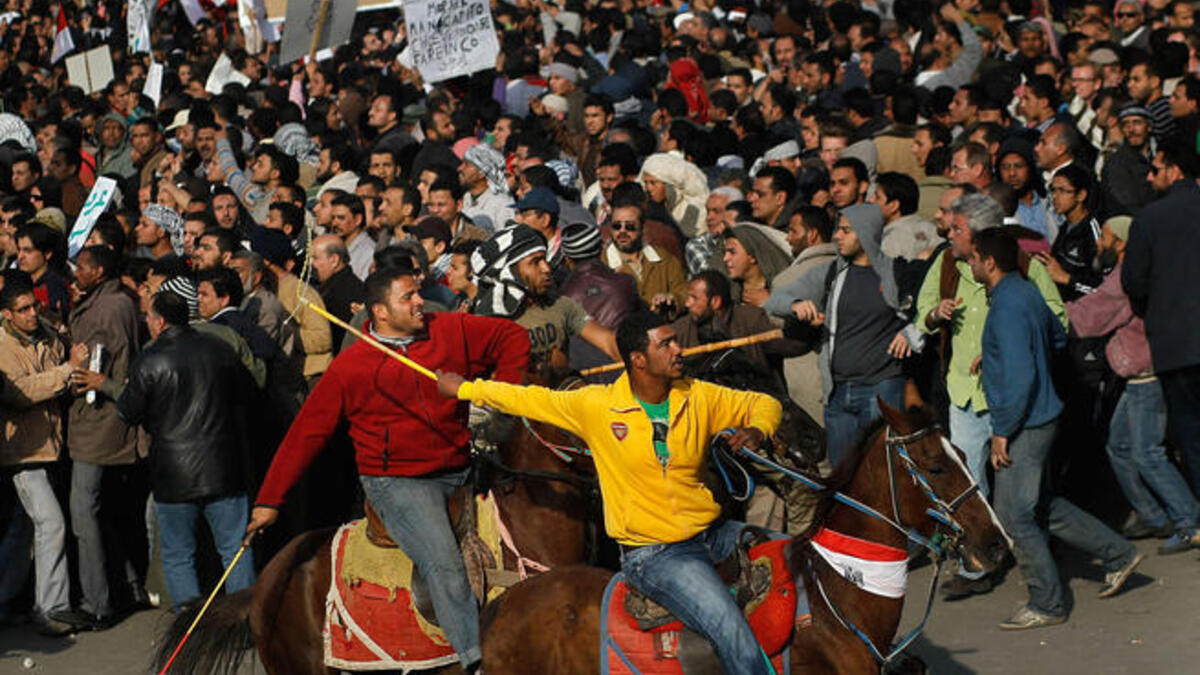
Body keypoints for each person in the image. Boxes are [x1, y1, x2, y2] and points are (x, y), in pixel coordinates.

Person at [437, 311, 781, 674]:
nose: (679, 349)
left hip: (713, 534)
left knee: (795, 554)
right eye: (666, 344)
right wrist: (464, 389)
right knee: (730, 629)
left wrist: (758, 430)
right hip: (656, 556)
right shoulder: (597, 405)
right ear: (638, 360)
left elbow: (763, 403)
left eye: (675, 340)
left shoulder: (698, 395)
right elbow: (526, 399)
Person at [247, 267, 531, 673]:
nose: (420, 302)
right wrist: (269, 499)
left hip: (461, 465)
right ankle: (477, 661)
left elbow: (512, 337)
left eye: (418, 293)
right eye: (408, 297)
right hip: (398, 482)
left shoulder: (448, 329)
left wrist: (499, 395)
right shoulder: (352, 366)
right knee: (444, 564)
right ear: (379, 312)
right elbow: (305, 434)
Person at [969, 227, 1142, 629]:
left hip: (1024, 424)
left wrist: (1002, 431)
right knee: (1041, 505)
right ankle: (1118, 554)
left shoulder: (1008, 305)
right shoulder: (1024, 291)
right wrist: (996, 355)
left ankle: (1047, 603)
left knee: (1014, 515)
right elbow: (1055, 335)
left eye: (973, 257)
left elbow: (1021, 374)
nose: (970, 263)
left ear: (989, 262)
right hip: (1041, 416)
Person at [1066, 216, 1200, 552]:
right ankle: (1154, 517)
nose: (1100, 243)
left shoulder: (1128, 277)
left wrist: (1050, 313)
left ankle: (1189, 521)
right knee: (1120, 446)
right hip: (1136, 373)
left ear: (1122, 243)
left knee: (1147, 452)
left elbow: (1092, 315)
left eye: (1106, 237)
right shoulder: (1128, 271)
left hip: (1146, 375)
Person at [765, 204, 912, 465]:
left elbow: (926, 307)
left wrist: (911, 332)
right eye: (838, 230)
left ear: (866, 232)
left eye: (846, 230)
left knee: (882, 470)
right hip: (839, 393)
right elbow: (774, 300)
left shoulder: (896, 272)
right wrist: (796, 304)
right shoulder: (831, 273)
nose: (837, 237)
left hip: (882, 390)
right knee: (841, 475)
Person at [0, 275, 89, 635]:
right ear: (7, 314)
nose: (32, 314)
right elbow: (20, 393)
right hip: (23, 452)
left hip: (48, 446)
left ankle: (6, 600)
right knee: (51, 525)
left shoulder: (47, 335)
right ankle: (51, 608)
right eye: (23, 310)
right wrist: (66, 370)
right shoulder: (4, 347)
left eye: (33, 306)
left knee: (23, 531)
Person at [62, 246, 144, 629]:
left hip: (98, 423)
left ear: (97, 271)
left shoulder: (107, 308)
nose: (76, 271)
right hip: (102, 422)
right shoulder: (113, 301)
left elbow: (104, 365)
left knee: (83, 513)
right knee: (102, 511)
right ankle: (126, 586)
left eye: (81, 266)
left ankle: (98, 604)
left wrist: (78, 367)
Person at [1123, 145, 1200, 492]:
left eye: (1156, 169)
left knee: (1193, 433)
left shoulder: (1150, 219)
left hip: (1177, 345)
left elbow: (1133, 283)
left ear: (1175, 171)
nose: (1150, 177)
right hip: (1178, 340)